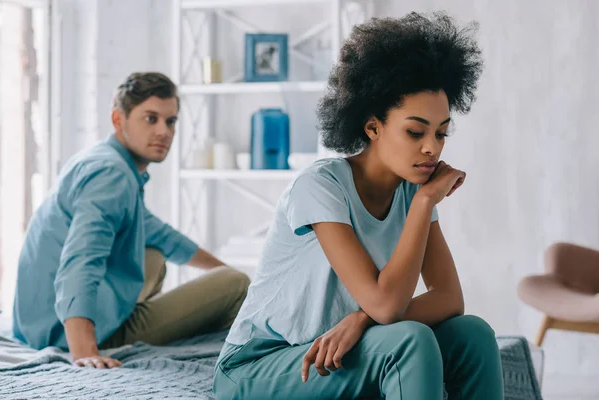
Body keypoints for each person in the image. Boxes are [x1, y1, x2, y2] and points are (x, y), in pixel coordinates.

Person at [213, 12, 504, 399]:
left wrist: (361, 321)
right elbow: (387, 306)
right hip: (259, 364)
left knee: (473, 334)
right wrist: (425, 203)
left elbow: (449, 299)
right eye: (415, 132)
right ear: (372, 127)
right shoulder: (320, 186)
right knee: (409, 341)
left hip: (337, 350)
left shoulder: (411, 191)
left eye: (441, 132)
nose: (432, 147)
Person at [12, 72, 250, 368]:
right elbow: (81, 260)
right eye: (151, 119)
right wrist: (85, 352)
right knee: (236, 284)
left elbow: (163, 236)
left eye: (171, 121)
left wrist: (220, 268)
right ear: (118, 120)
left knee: (154, 257)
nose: (163, 131)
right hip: (62, 333)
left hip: (35, 323)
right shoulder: (112, 177)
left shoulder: (105, 160)